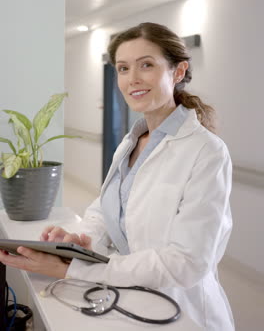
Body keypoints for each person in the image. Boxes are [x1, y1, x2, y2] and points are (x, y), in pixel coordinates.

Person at [0, 22, 234, 330]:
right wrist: (81, 242)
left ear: (178, 72)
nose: (132, 79)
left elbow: (187, 263)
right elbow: (105, 209)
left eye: (146, 65)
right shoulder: (131, 141)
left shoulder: (207, 151)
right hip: (130, 297)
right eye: (123, 68)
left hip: (182, 312)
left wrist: (76, 271)